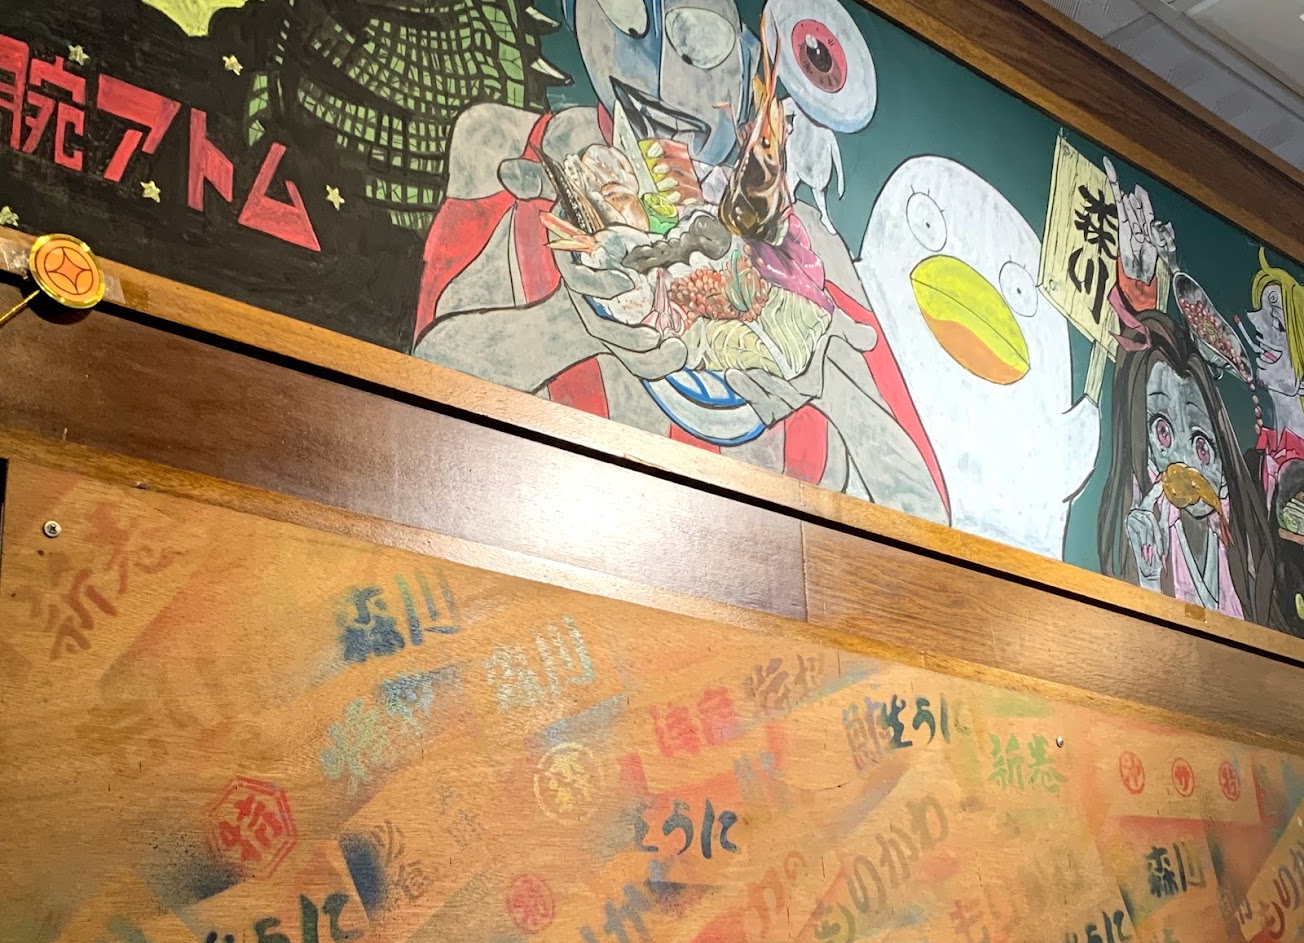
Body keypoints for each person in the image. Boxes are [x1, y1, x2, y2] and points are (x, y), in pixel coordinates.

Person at [1098, 311, 1280, 626]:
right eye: (1163, 432)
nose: (1185, 461)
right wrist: (1149, 576)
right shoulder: (1150, 537)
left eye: (1201, 444)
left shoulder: (1244, 548)